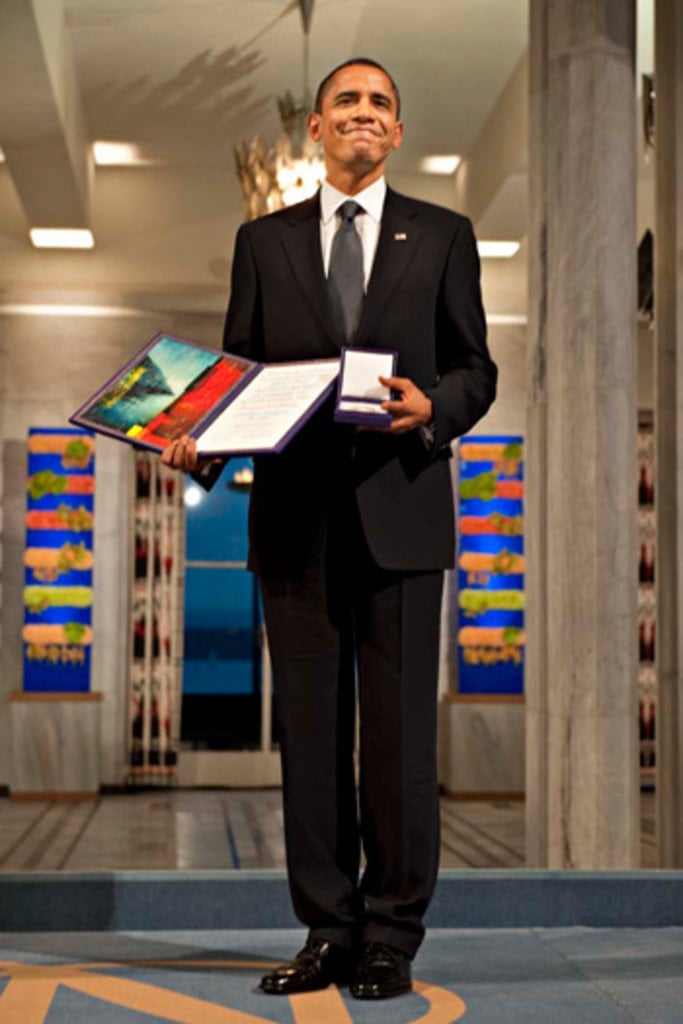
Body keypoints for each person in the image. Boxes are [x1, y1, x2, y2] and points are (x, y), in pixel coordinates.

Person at [163, 57, 497, 1000]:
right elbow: (236, 380)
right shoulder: (261, 242)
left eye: (379, 103)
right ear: (315, 129)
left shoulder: (441, 235)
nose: (362, 113)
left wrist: (431, 406)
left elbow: (478, 369)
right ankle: (327, 930)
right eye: (345, 101)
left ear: (396, 133)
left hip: (402, 515)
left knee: (396, 742)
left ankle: (390, 934)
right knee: (309, 738)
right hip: (295, 523)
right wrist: (204, 446)